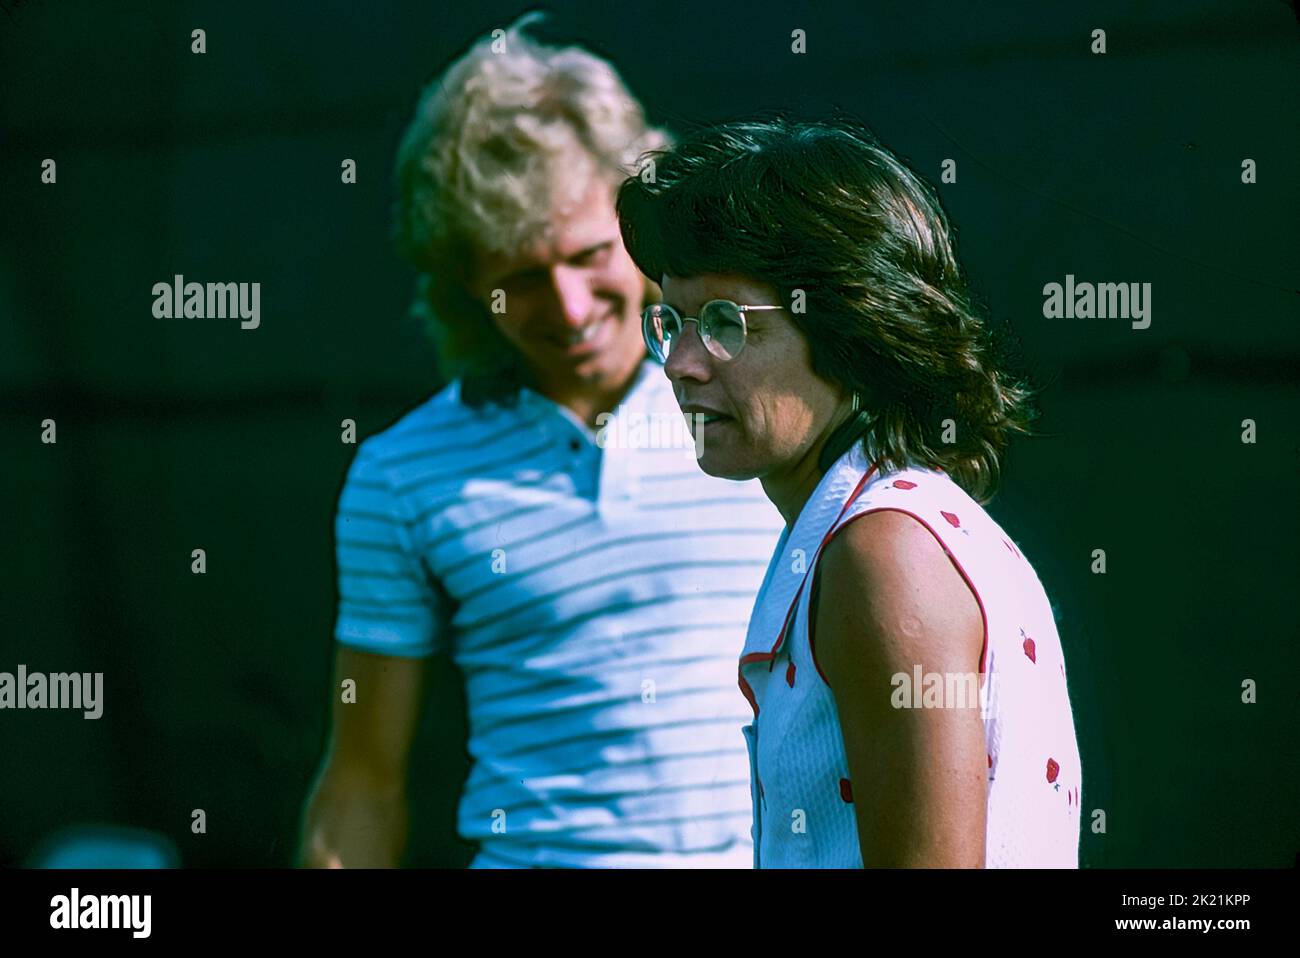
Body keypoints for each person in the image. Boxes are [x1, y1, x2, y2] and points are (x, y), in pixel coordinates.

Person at [297, 16, 784, 869]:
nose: (565, 306)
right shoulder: (399, 478)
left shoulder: (771, 407)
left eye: (591, 253)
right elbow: (362, 785)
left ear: (642, 226)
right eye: (519, 276)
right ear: (460, 281)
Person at [616, 117, 1084, 867]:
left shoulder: (886, 552)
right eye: (670, 322)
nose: (679, 363)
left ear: (849, 326)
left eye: (724, 323)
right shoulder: (873, 529)